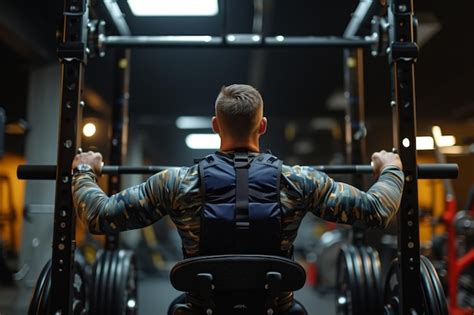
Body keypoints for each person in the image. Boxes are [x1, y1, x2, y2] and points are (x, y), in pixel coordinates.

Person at [72, 84, 404, 314]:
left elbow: (100, 216)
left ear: (216, 125)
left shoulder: (175, 182)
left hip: (201, 310)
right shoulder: (299, 180)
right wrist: (391, 169)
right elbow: (376, 211)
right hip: (276, 310)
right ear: (262, 126)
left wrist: (84, 171)